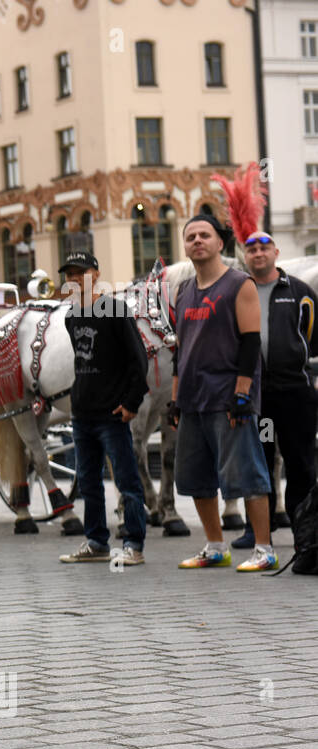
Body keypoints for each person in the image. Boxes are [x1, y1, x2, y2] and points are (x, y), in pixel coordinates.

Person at [169, 214, 275, 571]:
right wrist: (174, 398)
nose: (197, 241)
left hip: (228, 397)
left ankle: (264, 548)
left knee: (248, 475)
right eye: (191, 236)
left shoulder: (238, 284)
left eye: (205, 235)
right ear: (185, 246)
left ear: (219, 242)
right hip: (192, 398)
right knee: (196, 477)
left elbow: (249, 343)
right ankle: (216, 547)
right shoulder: (183, 291)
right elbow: (180, 350)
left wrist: (243, 394)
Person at [56, 252, 149, 566]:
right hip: (82, 413)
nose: (73, 279)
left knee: (126, 481)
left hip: (111, 413)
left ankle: (134, 544)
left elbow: (138, 359)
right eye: (69, 274)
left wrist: (131, 402)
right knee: (88, 481)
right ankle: (96, 541)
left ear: (95, 274)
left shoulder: (114, 310)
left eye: (79, 273)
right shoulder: (71, 316)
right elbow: (84, 362)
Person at [228, 231, 318, 551]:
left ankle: (305, 532)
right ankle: (258, 530)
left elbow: (312, 337)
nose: (258, 253)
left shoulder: (300, 293)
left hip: (295, 395)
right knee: (260, 460)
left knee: (300, 462)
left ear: (276, 252)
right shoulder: (239, 292)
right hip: (259, 399)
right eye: (251, 249)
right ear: (245, 256)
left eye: (264, 247)